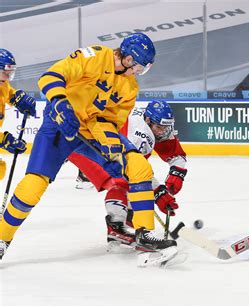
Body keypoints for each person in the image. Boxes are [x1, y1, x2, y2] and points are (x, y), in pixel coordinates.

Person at [0, 33, 177, 264]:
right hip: (58, 125)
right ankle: (2, 239)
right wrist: (61, 105)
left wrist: (109, 142)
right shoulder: (94, 56)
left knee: (138, 166)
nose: (137, 72)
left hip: (90, 133)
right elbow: (50, 77)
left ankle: (145, 234)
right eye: (138, 67)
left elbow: (109, 121)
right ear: (128, 58)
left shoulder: (129, 88)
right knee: (34, 184)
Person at [67, 100, 187, 248]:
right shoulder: (140, 133)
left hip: (97, 143)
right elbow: (131, 170)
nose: (163, 132)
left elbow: (174, 154)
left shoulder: (150, 122)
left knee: (131, 185)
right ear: (148, 121)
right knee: (121, 180)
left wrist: (177, 172)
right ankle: (116, 226)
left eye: (166, 127)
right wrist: (157, 190)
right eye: (159, 127)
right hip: (85, 147)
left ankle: (127, 218)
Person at [0, 48, 36, 179]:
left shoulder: (2, 83)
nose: (8, 76)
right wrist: (4, 140)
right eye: (6, 72)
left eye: (10, 72)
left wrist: (18, 98)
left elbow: (8, 93)